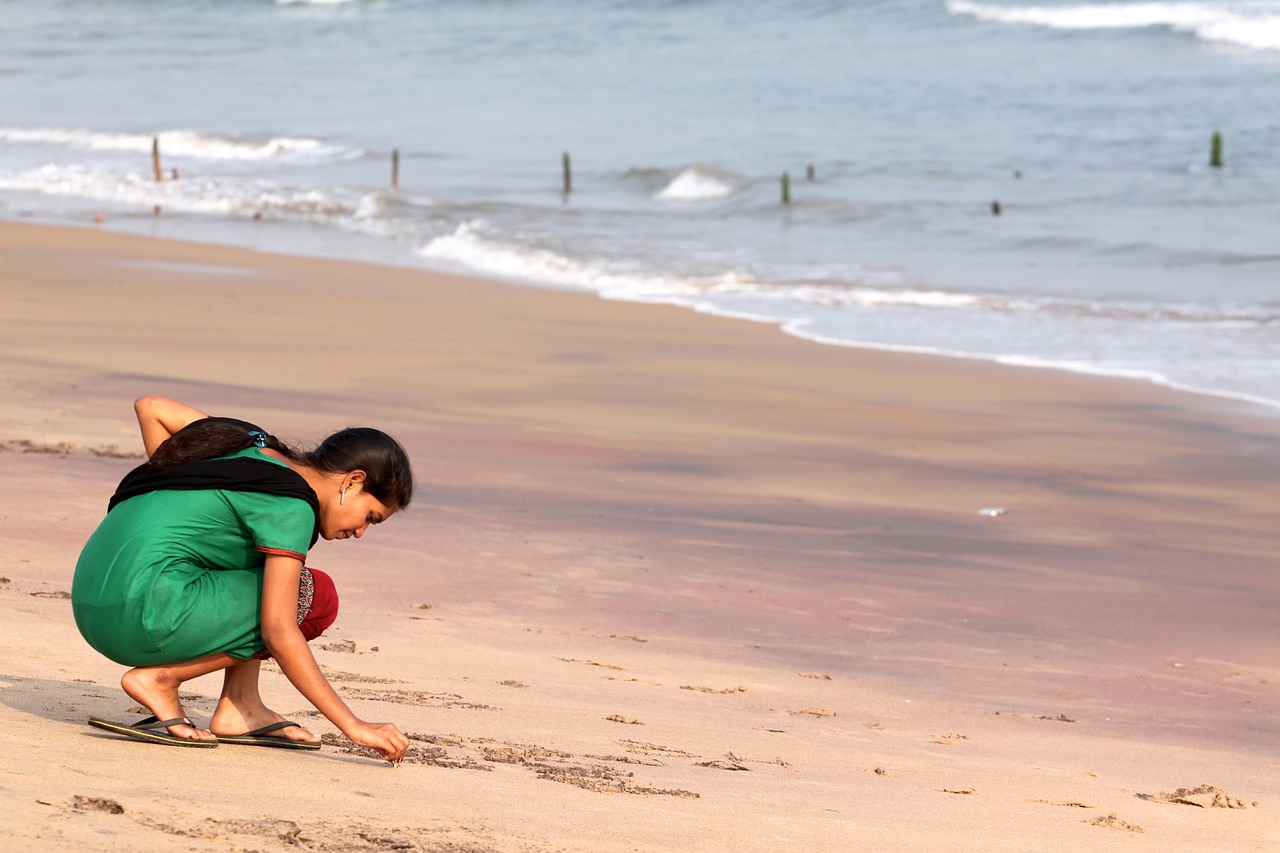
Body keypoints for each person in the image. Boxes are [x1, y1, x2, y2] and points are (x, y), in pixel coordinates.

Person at [71, 396, 413, 762]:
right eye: (371, 516)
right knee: (316, 595)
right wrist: (352, 725)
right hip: (142, 614)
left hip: (91, 604)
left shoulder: (242, 442)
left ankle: (241, 706)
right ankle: (162, 678)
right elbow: (278, 632)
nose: (361, 532)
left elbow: (150, 407)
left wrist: (176, 479)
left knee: (256, 563)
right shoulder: (292, 505)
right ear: (353, 481)